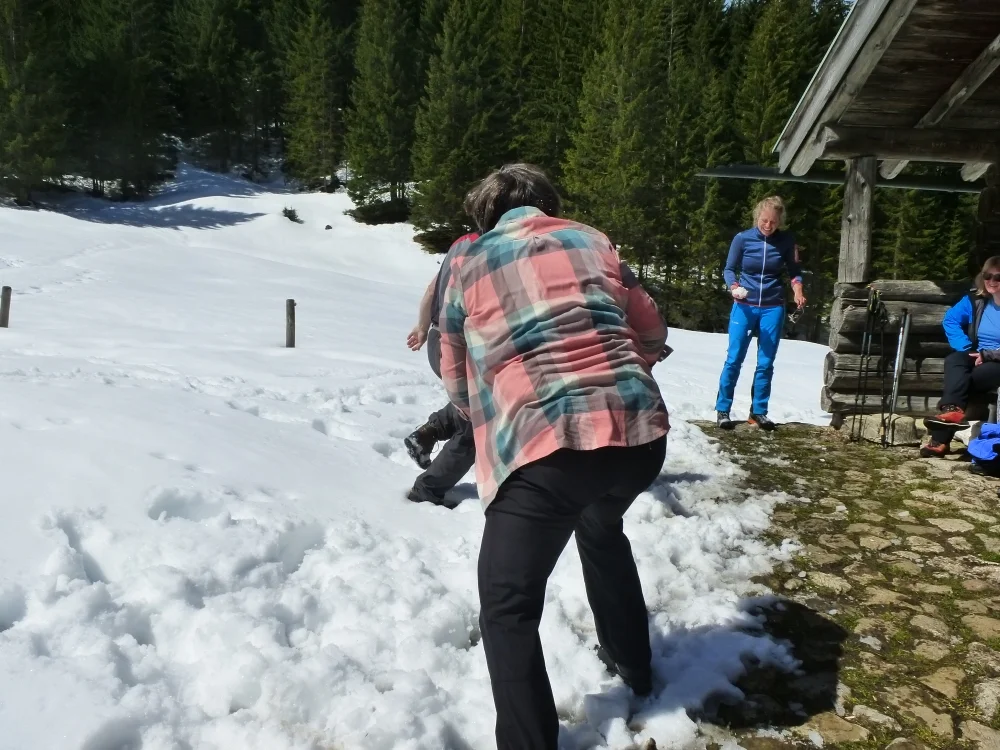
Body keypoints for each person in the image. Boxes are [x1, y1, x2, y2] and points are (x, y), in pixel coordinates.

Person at [437, 163, 669, 750]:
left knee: (507, 604)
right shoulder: (594, 240)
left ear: (485, 217)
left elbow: (454, 367)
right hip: (639, 433)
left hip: (548, 447)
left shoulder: (466, 263)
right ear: (548, 205)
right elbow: (649, 325)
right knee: (600, 525)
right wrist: (633, 364)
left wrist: (476, 410)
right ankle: (635, 667)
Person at [714, 195, 806, 431]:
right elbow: (728, 269)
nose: (768, 225)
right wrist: (734, 287)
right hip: (744, 305)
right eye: (764, 220)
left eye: (773, 222)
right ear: (757, 217)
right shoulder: (742, 239)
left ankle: (758, 412)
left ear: (780, 221)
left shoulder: (786, 241)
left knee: (766, 362)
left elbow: (795, 271)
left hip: (773, 307)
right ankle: (723, 409)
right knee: (734, 358)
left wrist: (798, 291)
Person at [403, 232, 479, 507]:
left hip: (438, 339)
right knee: (479, 421)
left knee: (474, 401)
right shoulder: (490, 249)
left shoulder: (462, 244)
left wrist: (423, 328)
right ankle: (427, 490)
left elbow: (430, 291)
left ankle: (428, 432)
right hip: (457, 344)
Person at [921, 256, 1000, 458]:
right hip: (978, 355)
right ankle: (952, 409)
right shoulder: (976, 300)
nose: (991, 281)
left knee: (964, 381)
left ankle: (939, 441)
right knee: (954, 359)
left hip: (996, 362)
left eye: (998, 277)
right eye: (987, 276)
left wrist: (987, 354)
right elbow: (951, 320)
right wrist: (965, 347)